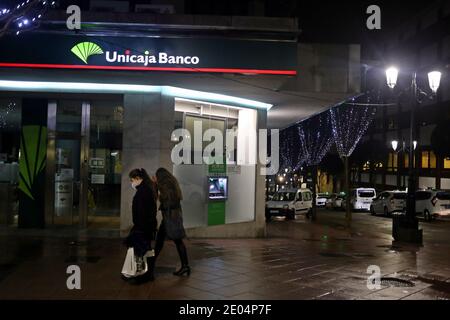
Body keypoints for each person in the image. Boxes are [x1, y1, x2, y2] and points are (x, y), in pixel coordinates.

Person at [152, 167, 190, 276]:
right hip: (173, 217)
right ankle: (185, 266)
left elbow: (165, 199)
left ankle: (151, 265)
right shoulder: (172, 183)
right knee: (171, 241)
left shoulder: (166, 185)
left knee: (165, 242)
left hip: (170, 218)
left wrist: (155, 185)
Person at [124, 168, 158, 284]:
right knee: (145, 249)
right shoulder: (147, 189)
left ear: (138, 179)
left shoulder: (143, 191)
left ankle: (145, 274)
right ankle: (146, 273)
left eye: (132, 179)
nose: (131, 182)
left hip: (143, 226)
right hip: (146, 225)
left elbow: (142, 211)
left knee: (144, 250)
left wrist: (139, 226)